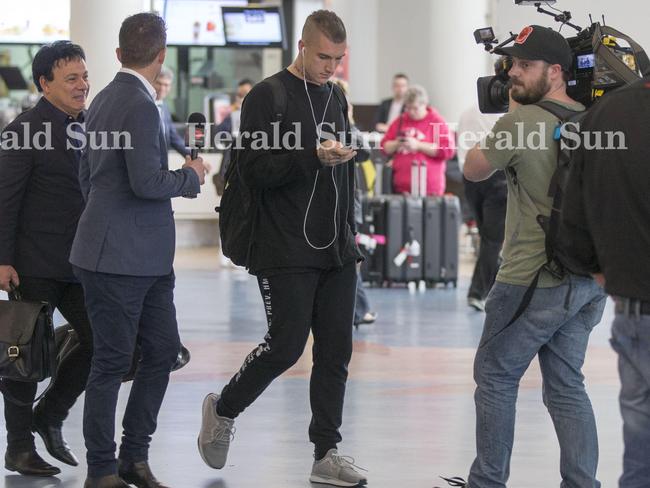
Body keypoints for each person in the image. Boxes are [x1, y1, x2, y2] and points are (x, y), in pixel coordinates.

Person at [197, 10, 368, 487]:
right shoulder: (267, 96)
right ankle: (223, 408)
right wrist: (312, 156)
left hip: (335, 244)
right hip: (283, 244)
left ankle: (326, 452)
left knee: (336, 352)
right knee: (286, 346)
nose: (330, 66)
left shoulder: (335, 96)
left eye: (338, 58)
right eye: (322, 57)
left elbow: (343, 169)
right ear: (301, 46)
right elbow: (252, 171)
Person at [454, 25, 607, 488]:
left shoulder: (521, 121)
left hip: (530, 278)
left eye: (526, 66)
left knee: (496, 378)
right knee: (565, 385)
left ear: (556, 71)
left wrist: (515, 111)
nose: (515, 74)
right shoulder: (595, 118)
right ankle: (582, 483)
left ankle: (487, 482)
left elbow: (473, 169)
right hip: (587, 281)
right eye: (512, 65)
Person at [69, 13, 207, 488]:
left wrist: (106, 219)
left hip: (135, 256)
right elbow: (147, 182)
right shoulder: (142, 106)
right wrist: (191, 178)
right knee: (111, 361)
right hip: (120, 260)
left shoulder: (104, 99)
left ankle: (133, 457)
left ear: (120, 53)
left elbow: (87, 177)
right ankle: (103, 468)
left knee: (163, 351)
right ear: (162, 56)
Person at [0, 40, 92, 477]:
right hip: (33, 262)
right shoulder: (23, 129)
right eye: (71, 78)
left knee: (103, 342)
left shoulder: (94, 126)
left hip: (82, 263)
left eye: (84, 76)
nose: (82, 85)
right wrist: (2, 260)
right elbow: (5, 199)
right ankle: (18, 447)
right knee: (24, 356)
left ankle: (50, 415)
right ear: (44, 83)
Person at [561, 77, 650, 488]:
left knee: (640, 424)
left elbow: (572, 210)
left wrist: (602, 271)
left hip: (634, 305)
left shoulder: (604, 114)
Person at [457, 102, 506, 312]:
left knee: (488, 238)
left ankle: (494, 288)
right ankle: (477, 292)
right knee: (492, 240)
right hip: (497, 179)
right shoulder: (507, 116)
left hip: (470, 180)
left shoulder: (467, 112)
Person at [381, 85, 455, 196]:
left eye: (415, 108)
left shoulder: (437, 121)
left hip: (430, 190)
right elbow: (384, 147)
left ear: (424, 105)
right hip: (401, 189)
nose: (411, 112)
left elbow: (448, 150)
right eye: (408, 108)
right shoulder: (400, 120)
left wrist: (419, 145)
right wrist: (398, 143)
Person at [153, 66, 189, 157]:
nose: (162, 88)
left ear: (170, 87)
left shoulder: (164, 107)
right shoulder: (143, 105)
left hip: (163, 166)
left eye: (166, 85)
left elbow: (174, 138)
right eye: (159, 83)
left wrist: (194, 156)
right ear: (152, 82)